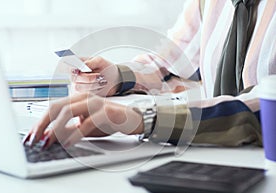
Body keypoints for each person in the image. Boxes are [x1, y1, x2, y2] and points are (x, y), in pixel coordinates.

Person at [24, 0, 276, 149]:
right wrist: (116, 77)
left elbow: (265, 107)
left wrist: (143, 118)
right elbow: (172, 61)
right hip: (216, 158)